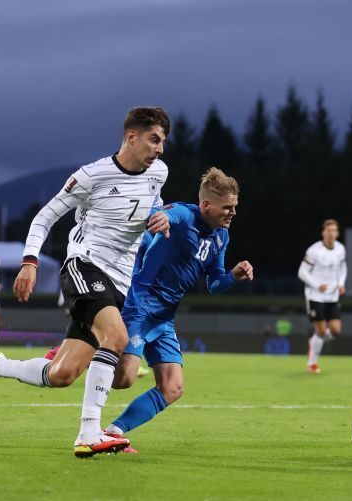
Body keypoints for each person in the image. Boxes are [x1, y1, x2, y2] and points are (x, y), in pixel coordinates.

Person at [0, 106, 171, 458]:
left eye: (163, 142)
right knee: (115, 337)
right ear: (131, 136)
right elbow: (45, 217)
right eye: (154, 139)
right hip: (84, 267)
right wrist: (29, 262)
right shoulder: (91, 176)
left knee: (63, 374)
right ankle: (89, 433)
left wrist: (160, 216)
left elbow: (151, 204)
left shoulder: (158, 172)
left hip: (120, 282)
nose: (160, 148)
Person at [103, 168, 253, 450]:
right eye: (227, 208)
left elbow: (214, 284)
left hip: (164, 317)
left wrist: (233, 276)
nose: (233, 213)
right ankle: (80, 351)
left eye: (235, 207)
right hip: (140, 305)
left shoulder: (221, 237)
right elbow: (168, 214)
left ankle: (113, 432)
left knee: (172, 387)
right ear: (206, 205)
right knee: (124, 379)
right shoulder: (185, 215)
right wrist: (159, 217)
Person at [297, 219, 347, 373]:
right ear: (323, 232)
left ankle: (314, 341)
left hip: (332, 296)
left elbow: (343, 267)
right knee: (320, 331)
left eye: (334, 231)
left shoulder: (340, 249)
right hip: (315, 295)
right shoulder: (314, 251)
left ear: (337, 233)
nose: (331, 234)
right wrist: (317, 285)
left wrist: (341, 283)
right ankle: (312, 363)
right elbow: (302, 272)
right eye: (328, 230)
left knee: (336, 330)